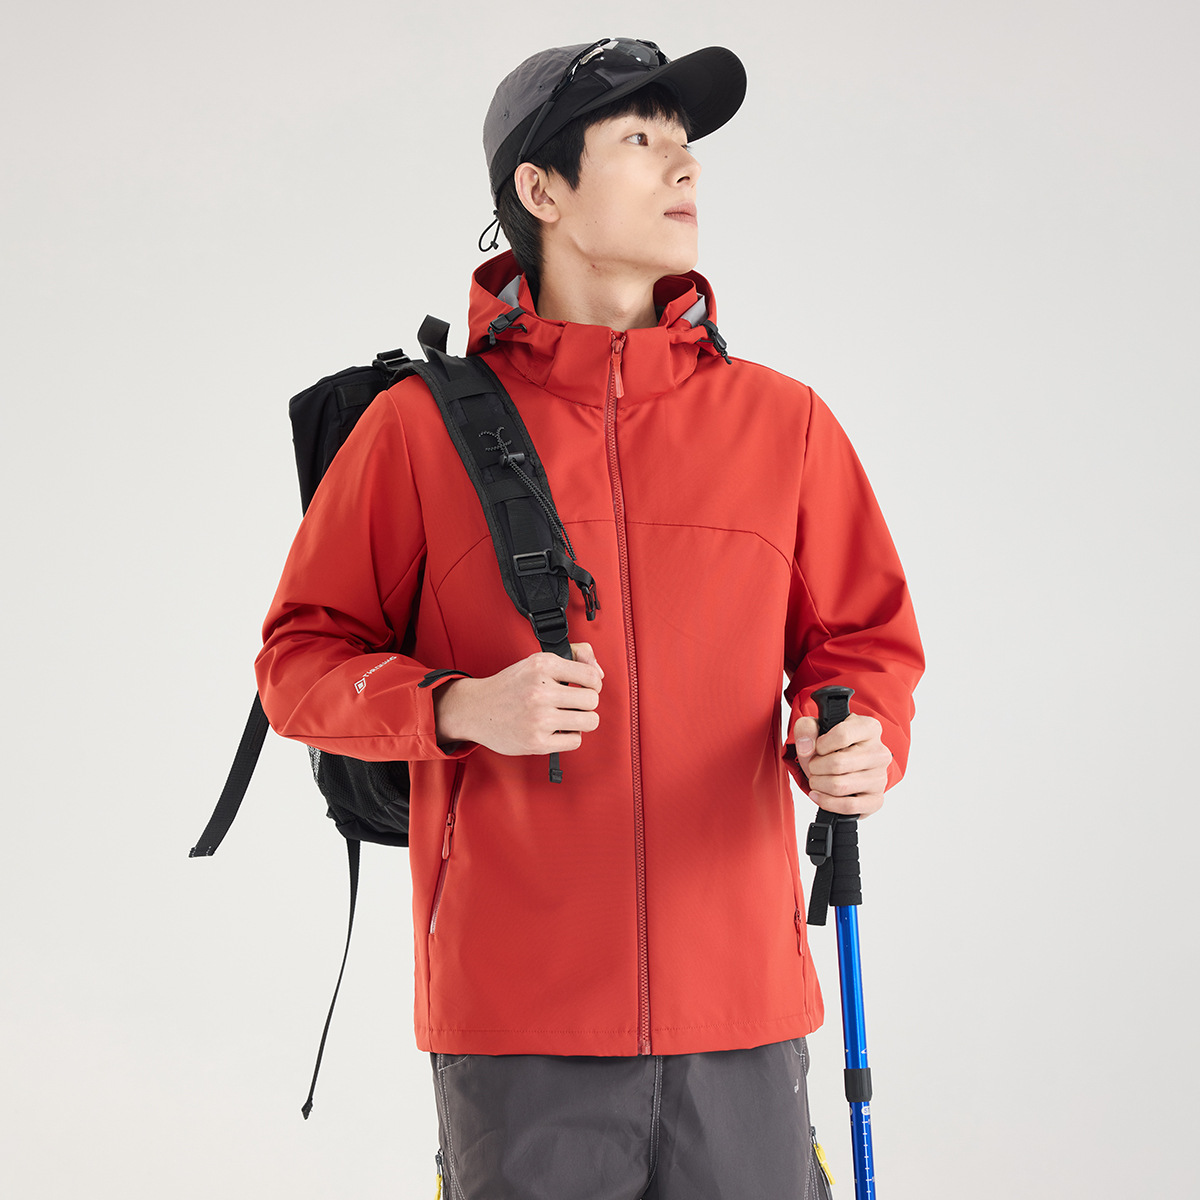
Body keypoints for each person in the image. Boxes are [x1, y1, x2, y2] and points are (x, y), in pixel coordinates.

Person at [255, 37, 924, 1200]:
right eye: (640, 138)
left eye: (686, 143)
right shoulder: (418, 431)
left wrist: (859, 735)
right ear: (541, 189)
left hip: (744, 1006)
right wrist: (459, 706)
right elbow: (298, 660)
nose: (685, 167)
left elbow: (862, 642)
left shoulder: (784, 425)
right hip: (520, 1023)